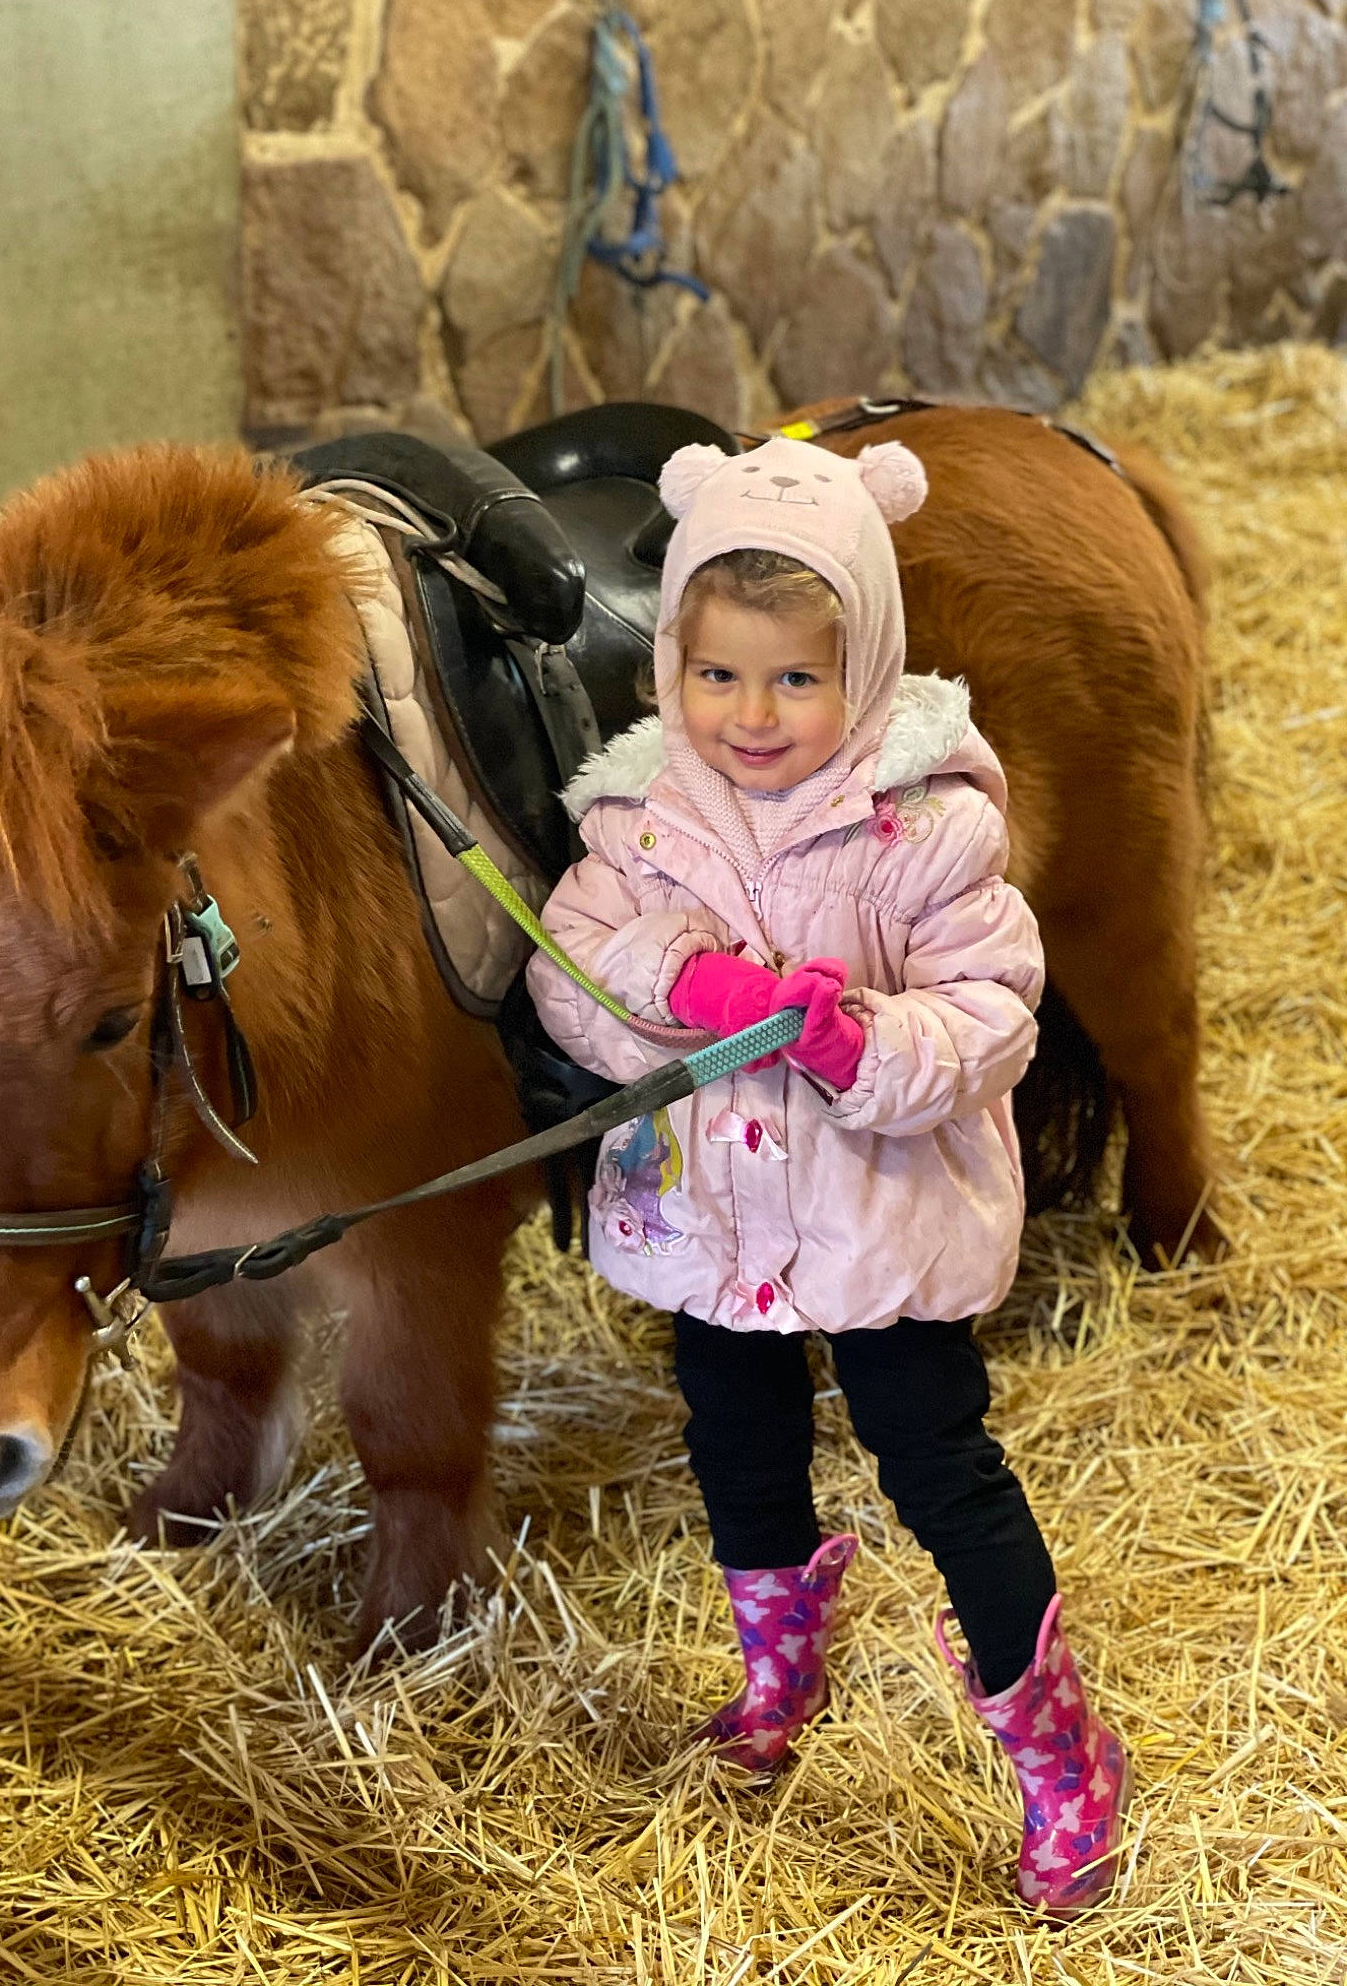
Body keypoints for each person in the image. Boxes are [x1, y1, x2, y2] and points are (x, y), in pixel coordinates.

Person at [527, 434, 1126, 1917]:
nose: (751, 715)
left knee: (939, 1461)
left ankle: (1059, 1754)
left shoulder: (926, 824)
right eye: (719, 674)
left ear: (864, 669)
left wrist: (861, 1041)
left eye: (796, 679)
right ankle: (778, 1671)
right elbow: (572, 978)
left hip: (879, 1215)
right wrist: (696, 984)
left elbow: (993, 1019)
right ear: (674, 657)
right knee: (737, 1442)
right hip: (713, 1216)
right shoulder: (636, 817)